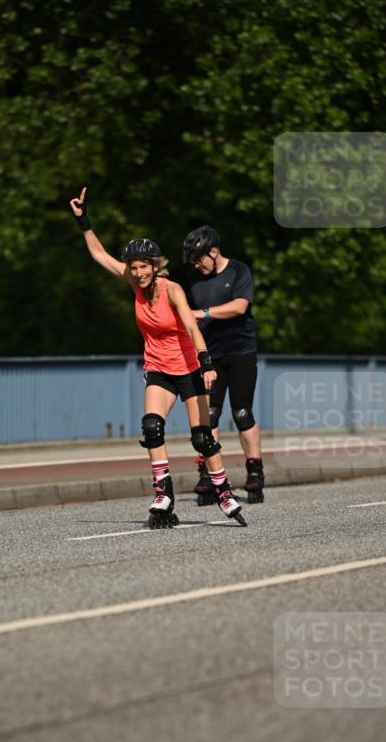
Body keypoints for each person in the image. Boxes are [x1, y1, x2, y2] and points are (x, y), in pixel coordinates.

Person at [69, 188, 246, 528]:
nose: (137, 273)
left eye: (143, 267)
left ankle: (223, 492)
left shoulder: (172, 289)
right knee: (152, 427)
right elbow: (100, 255)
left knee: (202, 438)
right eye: (133, 267)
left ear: (155, 266)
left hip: (190, 368)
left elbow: (194, 330)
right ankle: (163, 493)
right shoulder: (134, 285)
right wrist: (83, 221)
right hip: (159, 369)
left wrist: (207, 363)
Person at [182, 225, 265, 504]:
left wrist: (203, 312)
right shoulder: (194, 282)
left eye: (199, 258)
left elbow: (240, 306)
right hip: (211, 356)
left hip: (241, 351)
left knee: (241, 412)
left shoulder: (239, 271)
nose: (196, 265)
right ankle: (208, 473)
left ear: (214, 251)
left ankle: (254, 472)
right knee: (211, 414)